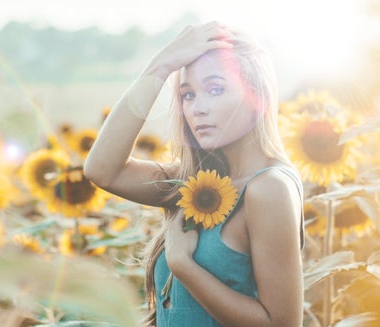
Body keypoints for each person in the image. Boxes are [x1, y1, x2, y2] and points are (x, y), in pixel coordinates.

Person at [84, 21, 305, 327]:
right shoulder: (196, 183)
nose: (198, 108)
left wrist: (184, 266)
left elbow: (281, 324)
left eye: (215, 89)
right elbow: (102, 170)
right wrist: (159, 67)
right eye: (188, 95)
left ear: (258, 96)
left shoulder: (269, 188)